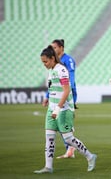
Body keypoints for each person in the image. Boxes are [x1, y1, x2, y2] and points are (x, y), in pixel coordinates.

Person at [34, 45, 97, 174]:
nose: (44, 64)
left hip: (64, 109)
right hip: (52, 108)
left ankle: (90, 156)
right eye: (42, 62)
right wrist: (48, 98)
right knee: (49, 138)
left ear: (52, 58)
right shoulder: (51, 70)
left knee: (68, 139)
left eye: (45, 61)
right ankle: (48, 167)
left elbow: (67, 90)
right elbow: (53, 88)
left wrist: (58, 108)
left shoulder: (61, 69)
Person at [43, 39, 78, 159]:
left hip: (67, 96)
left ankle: (71, 149)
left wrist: (70, 96)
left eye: (55, 47)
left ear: (61, 48)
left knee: (66, 125)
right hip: (57, 98)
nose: (53, 50)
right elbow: (52, 84)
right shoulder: (53, 65)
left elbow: (70, 81)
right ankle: (69, 150)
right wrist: (48, 96)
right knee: (60, 126)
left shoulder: (67, 60)